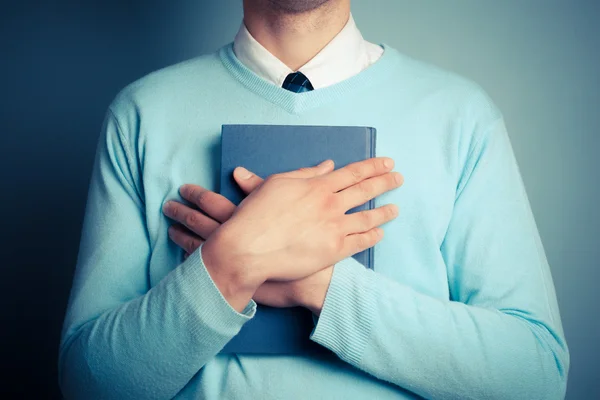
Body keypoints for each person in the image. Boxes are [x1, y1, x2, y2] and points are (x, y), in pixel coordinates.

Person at [58, 0, 570, 398]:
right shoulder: (142, 113)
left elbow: (535, 375)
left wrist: (315, 282)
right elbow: (88, 384)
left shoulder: (461, 115)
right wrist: (230, 265)